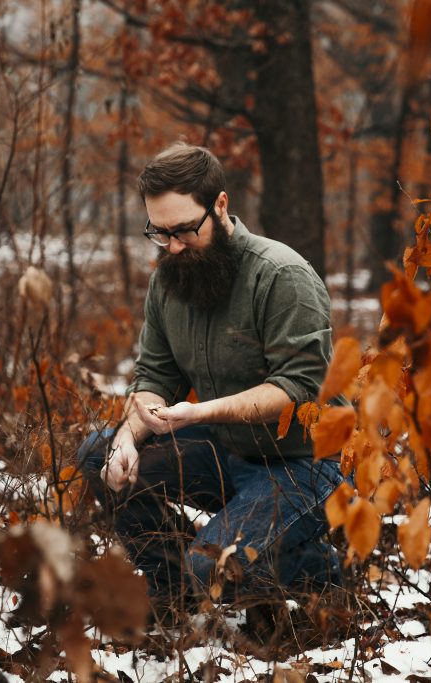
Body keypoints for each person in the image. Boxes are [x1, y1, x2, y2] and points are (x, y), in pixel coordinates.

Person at [78, 143, 345, 622]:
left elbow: (297, 388)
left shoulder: (281, 275)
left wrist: (200, 411)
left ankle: (320, 566)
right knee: (98, 453)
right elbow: (156, 375)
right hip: (226, 451)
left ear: (220, 205)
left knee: (212, 568)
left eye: (183, 230)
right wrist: (127, 438)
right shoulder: (170, 280)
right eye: (159, 234)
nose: (173, 245)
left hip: (304, 465)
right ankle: (174, 587)